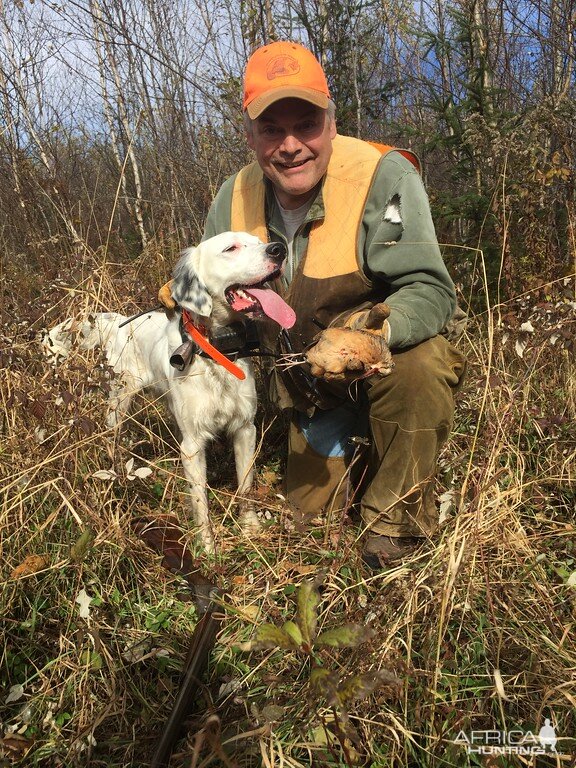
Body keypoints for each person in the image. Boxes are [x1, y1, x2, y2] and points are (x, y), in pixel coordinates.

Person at [162, 40, 466, 569]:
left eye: (305, 123)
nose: (290, 144)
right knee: (305, 521)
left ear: (330, 121)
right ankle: (349, 452)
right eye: (272, 129)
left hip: (383, 366)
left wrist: (371, 338)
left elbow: (432, 290)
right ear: (251, 135)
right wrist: (193, 321)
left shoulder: (383, 176)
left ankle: (393, 526)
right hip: (308, 391)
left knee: (421, 365)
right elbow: (213, 302)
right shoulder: (232, 196)